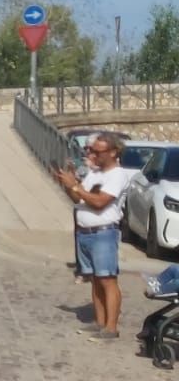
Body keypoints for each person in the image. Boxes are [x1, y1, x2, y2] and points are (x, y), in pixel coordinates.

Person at [53, 133, 134, 341]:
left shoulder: (117, 175)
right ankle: (99, 322)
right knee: (95, 280)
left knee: (107, 279)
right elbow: (78, 198)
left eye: (97, 151)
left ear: (113, 152)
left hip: (103, 233)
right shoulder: (95, 173)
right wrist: (67, 182)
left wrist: (76, 186)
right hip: (85, 233)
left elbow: (100, 202)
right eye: (90, 151)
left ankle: (111, 327)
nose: (91, 154)